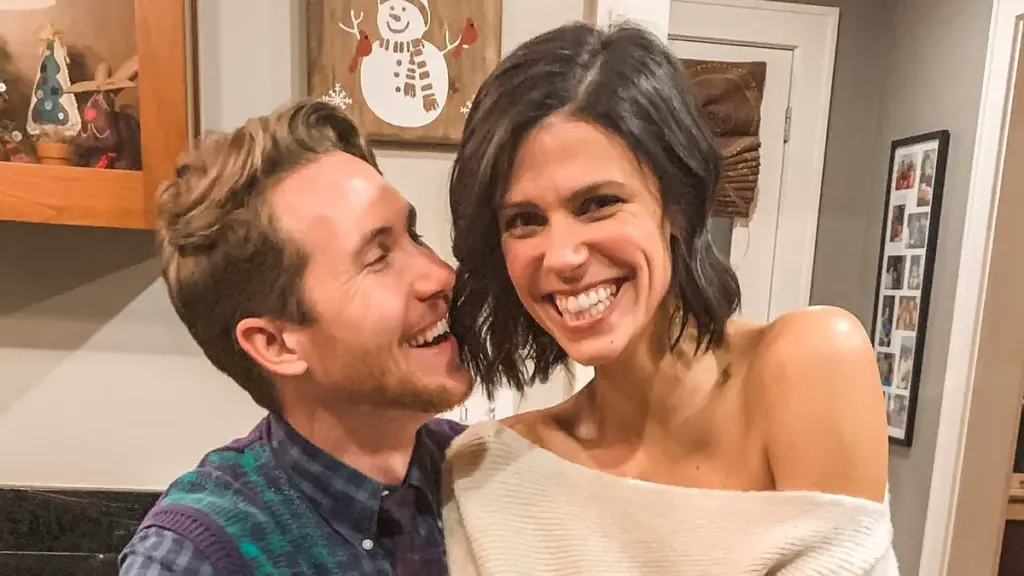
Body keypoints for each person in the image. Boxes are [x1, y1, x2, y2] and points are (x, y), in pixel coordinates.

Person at [443, 22, 897, 574]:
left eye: (598, 204)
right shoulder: (490, 472)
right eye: (524, 219)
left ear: (677, 205)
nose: (561, 256)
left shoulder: (810, 364)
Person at [118, 100, 471, 575]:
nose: (440, 275)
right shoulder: (197, 556)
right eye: (377, 258)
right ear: (276, 344)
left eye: (414, 234)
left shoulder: (478, 475)